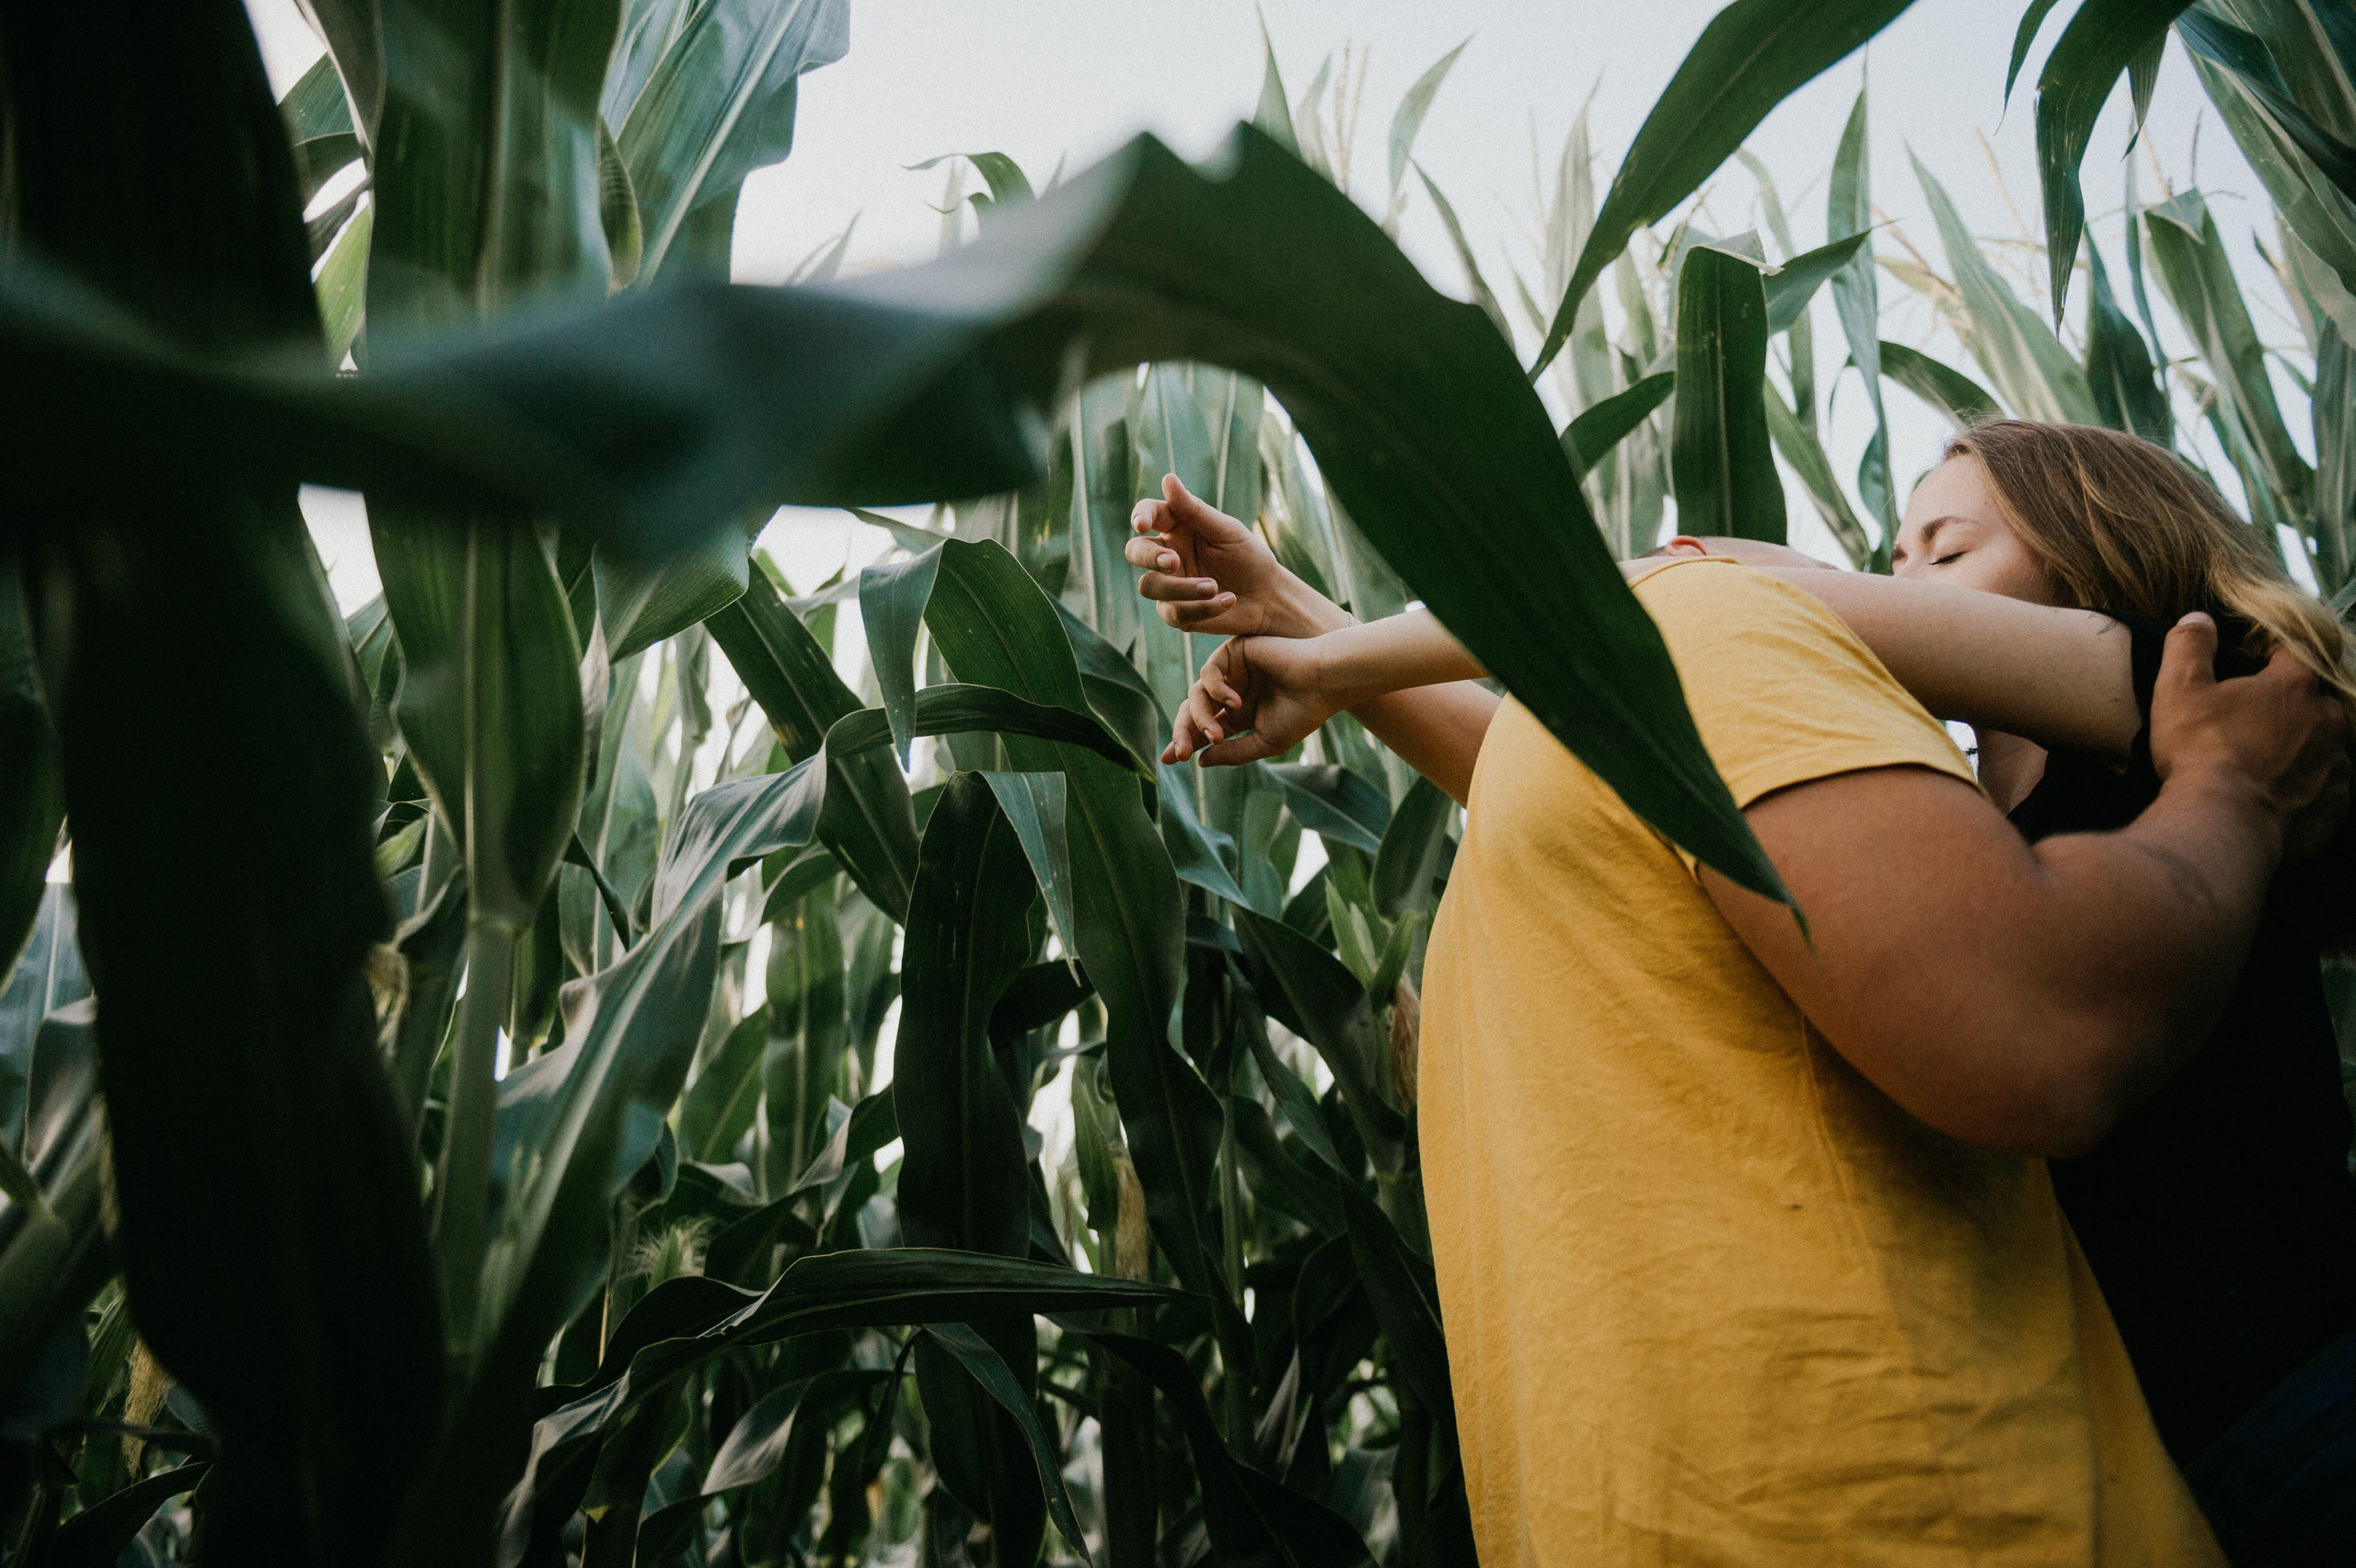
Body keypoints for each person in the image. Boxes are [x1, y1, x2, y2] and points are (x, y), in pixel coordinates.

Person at [1126, 433, 2352, 1562]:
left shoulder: (2191, 699)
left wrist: (1342, 649)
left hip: (2292, 1414)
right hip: (2165, 1451)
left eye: (1950, 546)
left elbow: (1705, 592)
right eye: (1893, 554)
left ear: (2107, 548)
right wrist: (1315, 634)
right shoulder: (1964, 818)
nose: (1897, 576)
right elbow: (1650, 785)